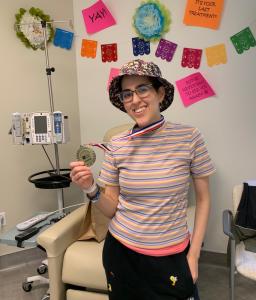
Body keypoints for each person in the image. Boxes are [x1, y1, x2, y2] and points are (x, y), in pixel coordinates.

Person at [70, 59, 216, 300]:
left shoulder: (189, 137)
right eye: (127, 94)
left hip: (172, 256)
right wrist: (91, 188)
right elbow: (111, 209)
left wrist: (194, 256)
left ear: (160, 92)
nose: (135, 100)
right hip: (121, 254)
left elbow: (204, 200)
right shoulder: (117, 145)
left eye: (142, 89)